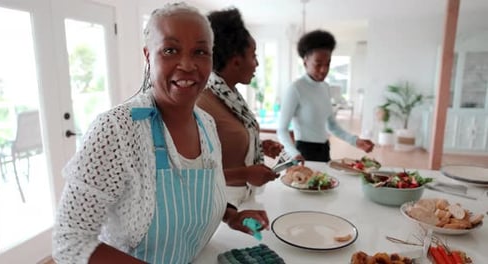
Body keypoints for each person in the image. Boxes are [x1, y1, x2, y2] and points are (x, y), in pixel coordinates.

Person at [52, 3, 269, 264]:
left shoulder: (207, 125)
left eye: (200, 51)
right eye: (170, 50)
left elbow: (201, 193)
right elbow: (69, 241)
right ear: (148, 56)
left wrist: (232, 216)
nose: (187, 65)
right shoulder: (117, 130)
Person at [196, 8, 283, 207]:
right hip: (219, 207)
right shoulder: (203, 102)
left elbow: (224, 145)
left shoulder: (229, 96)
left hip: (242, 200)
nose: (257, 63)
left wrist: (258, 145)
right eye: (253, 56)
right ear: (236, 61)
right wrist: (245, 174)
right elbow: (193, 175)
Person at [277, 29, 374, 162]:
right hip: (303, 153)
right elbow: (282, 130)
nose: (324, 69)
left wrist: (356, 141)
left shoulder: (325, 87)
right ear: (305, 61)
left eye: (327, 64)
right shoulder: (296, 89)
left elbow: (332, 126)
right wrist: (293, 153)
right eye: (318, 64)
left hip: (324, 150)